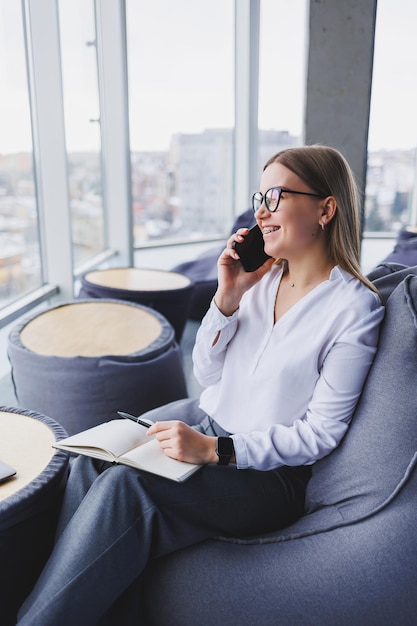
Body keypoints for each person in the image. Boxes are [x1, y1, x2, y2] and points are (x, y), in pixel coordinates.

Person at [17, 145, 385, 625]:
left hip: (267, 476)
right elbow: (208, 374)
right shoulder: (261, 282)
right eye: (260, 196)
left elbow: (321, 434)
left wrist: (216, 450)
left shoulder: (354, 309)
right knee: (91, 466)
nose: (260, 210)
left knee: (129, 488)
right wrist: (228, 298)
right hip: (209, 429)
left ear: (326, 208)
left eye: (275, 195)